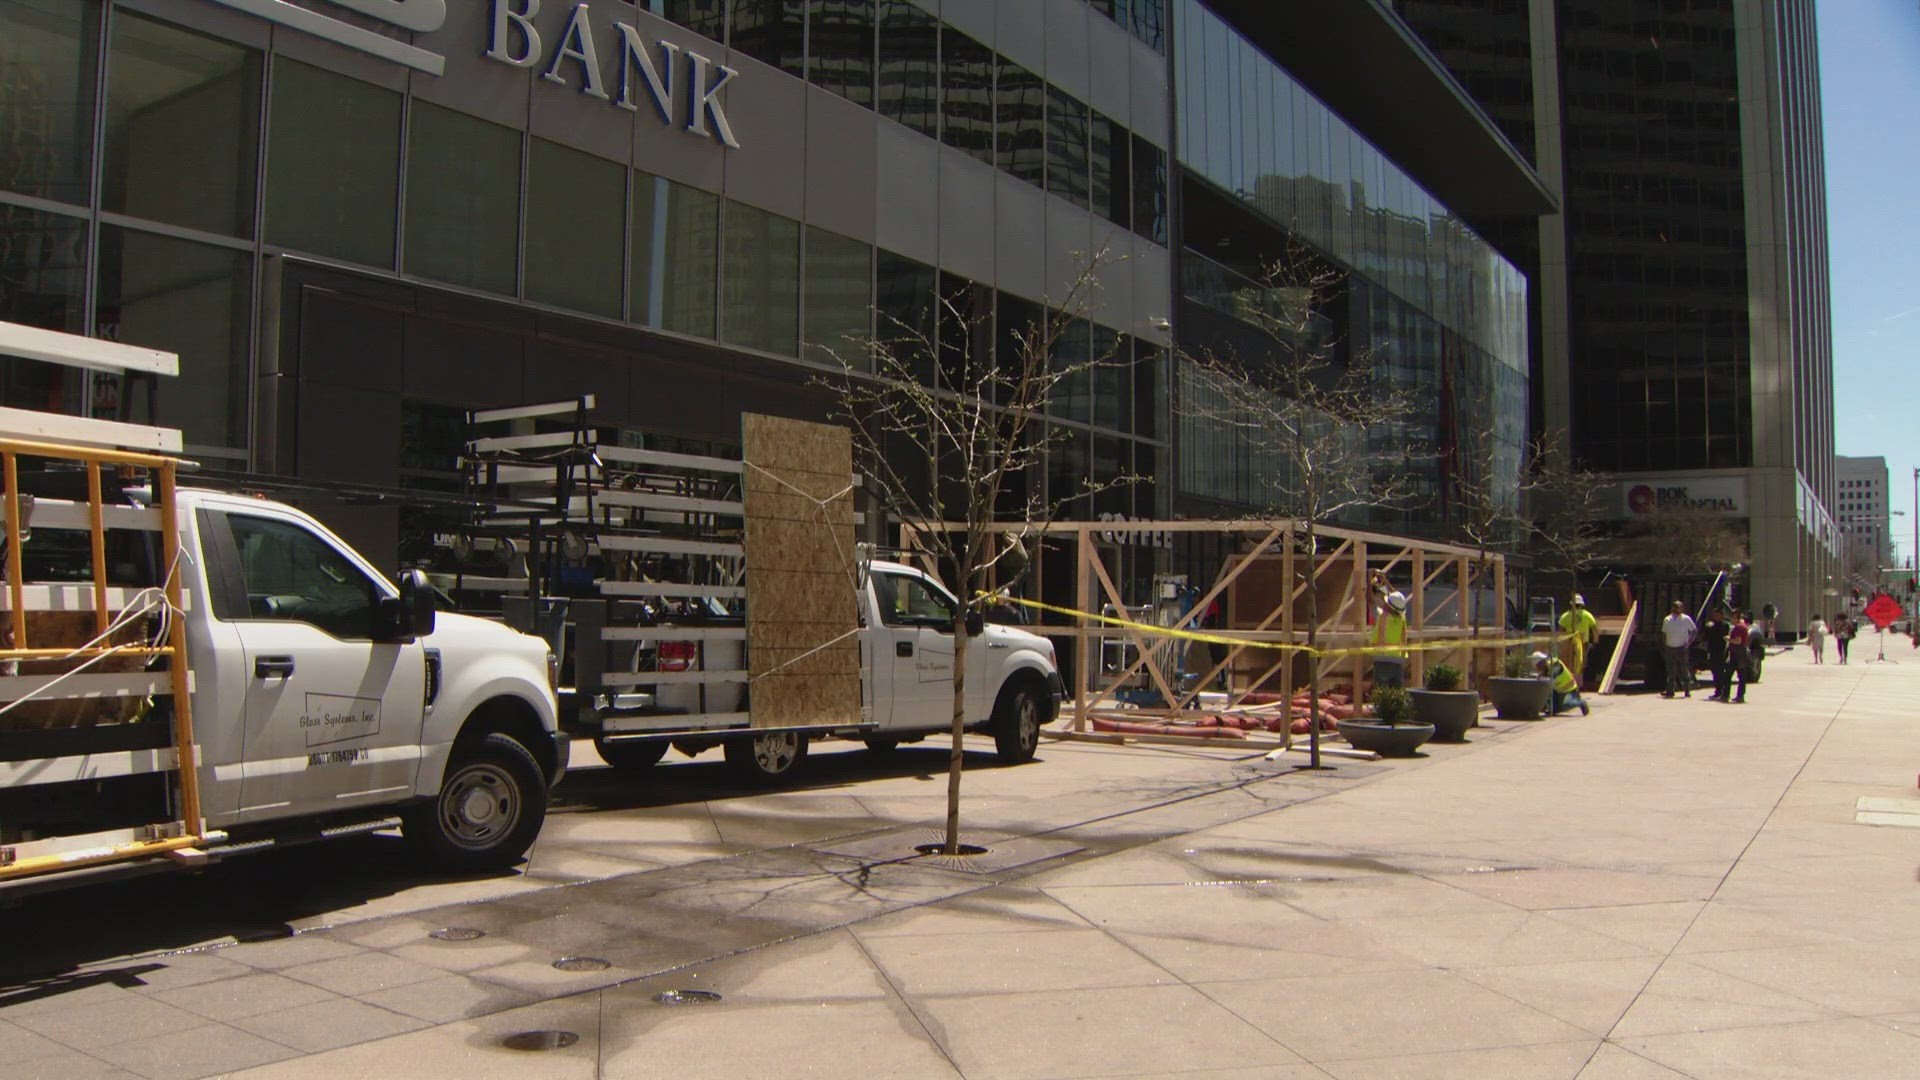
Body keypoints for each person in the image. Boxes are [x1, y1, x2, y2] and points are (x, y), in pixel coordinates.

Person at [1559, 594, 1600, 687]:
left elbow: (1560, 631)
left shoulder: (1565, 616)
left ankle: (1570, 684)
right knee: (1581, 664)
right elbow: (1594, 630)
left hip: (1568, 643)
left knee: (1569, 664)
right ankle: (1579, 684)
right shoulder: (1587, 615)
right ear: (1581, 604)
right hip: (1583, 643)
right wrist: (1595, 642)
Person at [1533, 650, 1589, 716]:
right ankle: (1554, 708)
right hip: (1558, 692)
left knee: (1567, 704)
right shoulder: (1546, 668)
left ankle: (1581, 702)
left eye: (1538, 665)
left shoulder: (1554, 664)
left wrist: (1542, 676)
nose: (1538, 668)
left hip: (1570, 690)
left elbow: (1552, 676)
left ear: (1542, 661)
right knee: (1554, 709)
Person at [1659, 600, 1697, 698]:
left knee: (1684, 669)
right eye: (1674, 607)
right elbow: (1663, 633)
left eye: (1678, 607)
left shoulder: (1686, 619)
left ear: (1682, 608)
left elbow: (1694, 631)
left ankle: (1687, 690)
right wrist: (1665, 644)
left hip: (1682, 648)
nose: (1676, 609)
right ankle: (1670, 691)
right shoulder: (1667, 619)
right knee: (1671, 671)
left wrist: (1688, 642)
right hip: (1670, 647)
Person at [1372, 590, 1409, 690]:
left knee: (1381, 691)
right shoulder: (1402, 618)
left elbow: (1381, 635)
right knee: (1396, 691)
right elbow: (1404, 638)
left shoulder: (1383, 616)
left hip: (1382, 657)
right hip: (1397, 659)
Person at [1700, 607, 1732, 700]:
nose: (1715, 617)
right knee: (1714, 671)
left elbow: (1721, 635)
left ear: (1721, 616)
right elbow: (1705, 637)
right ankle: (1717, 691)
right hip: (1712, 651)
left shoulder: (1724, 625)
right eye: (1714, 615)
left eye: (1717, 615)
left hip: (1721, 651)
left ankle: (1722, 691)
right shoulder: (1709, 626)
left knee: (1720, 672)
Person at [1725, 610, 1753, 704]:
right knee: (1741, 676)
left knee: (1730, 674)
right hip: (1739, 653)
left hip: (1738, 654)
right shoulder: (1743, 626)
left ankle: (1728, 695)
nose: (1731, 620)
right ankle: (1739, 696)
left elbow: (1738, 641)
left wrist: (1729, 639)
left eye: (1732, 618)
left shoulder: (1739, 627)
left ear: (1736, 617)